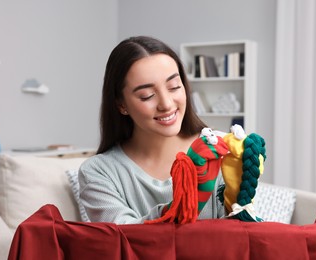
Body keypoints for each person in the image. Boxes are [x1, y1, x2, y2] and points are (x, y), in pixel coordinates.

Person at [78, 36, 225, 224]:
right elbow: (123, 240)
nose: (166, 104)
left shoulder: (219, 150)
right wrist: (179, 208)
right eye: (147, 96)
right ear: (121, 104)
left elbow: (239, 235)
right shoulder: (98, 172)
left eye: (174, 87)